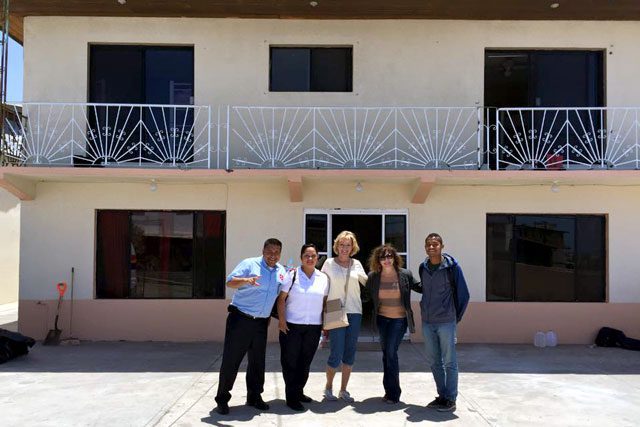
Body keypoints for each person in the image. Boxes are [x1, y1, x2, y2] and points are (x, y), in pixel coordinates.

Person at [214, 238, 287, 415]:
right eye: (269, 251)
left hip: (261, 323)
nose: (273, 255)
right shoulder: (249, 264)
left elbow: (280, 295)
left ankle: (254, 396)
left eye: (277, 252)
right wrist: (246, 280)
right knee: (232, 360)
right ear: (263, 250)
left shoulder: (281, 271)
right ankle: (222, 399)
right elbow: (230, 282)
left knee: (257, 362)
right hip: (241, 319)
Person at [413, 233, 470, 413]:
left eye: (435, 244)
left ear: (442, 246)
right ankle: (442, 396)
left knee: (449, 362)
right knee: (434, 361)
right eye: (428, 244)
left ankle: (451, 398)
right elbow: (425, 289)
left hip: (446, 321)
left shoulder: (452, 268)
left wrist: (454, 316)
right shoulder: (423, 267)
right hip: (428, 322)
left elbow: (463, 294)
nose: (431, 247)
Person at [277, 243, 330, 412]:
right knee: (290, 362)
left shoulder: (323, 278)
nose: (310, 258)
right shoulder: (292, 275)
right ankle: (291, 397)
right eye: (306, 255)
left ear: (317, 258)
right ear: (301, 258)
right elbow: (281, 299)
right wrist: (282, 320)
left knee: (305, 362)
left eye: (313, 256)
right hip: (292, 326)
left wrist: (324, 326)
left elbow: (324, 303)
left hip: (313, 327)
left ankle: (298, 392)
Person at [365, 244, 419, 404]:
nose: (386, 260)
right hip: (382, 319)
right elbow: (366, 295)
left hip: (399, 320)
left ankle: (394, 393)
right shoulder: (373, 276)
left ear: (394, 258)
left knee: (390, 352)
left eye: (389, 256)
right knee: (386, 354)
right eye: (383, 257)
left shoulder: (405, 274)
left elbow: (419, 286)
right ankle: (389, 391)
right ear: (378, 260)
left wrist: (436, 283)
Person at [320, 230, 367, 403]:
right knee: (336, 352)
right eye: (341, 244)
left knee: (349, 352)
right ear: (336, 246)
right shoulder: (329, 263)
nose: (344, 248)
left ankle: (344, 390)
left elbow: (368, 282)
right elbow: (321, 286)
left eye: (348, 245)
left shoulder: (357, 264)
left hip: (355, 310)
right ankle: (328, 387)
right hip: (334, 308)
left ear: (352, 247)